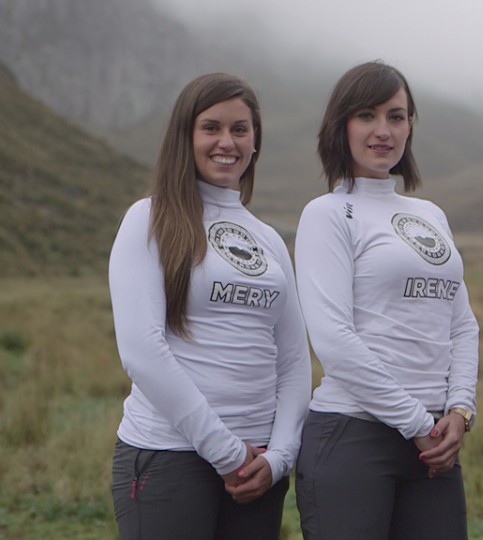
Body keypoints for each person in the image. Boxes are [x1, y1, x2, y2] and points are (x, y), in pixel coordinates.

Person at [108, 72, 312, 540]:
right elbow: (142, 350)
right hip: (170, 457)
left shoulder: (268, 239)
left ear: (255, 141)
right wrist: (226, 452)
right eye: (211, 128)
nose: (227, 142)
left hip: (258, 468)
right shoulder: (149, 219)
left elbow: (294, 359)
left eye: (240, 129)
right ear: (186, 136)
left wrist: (280, 456)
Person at [294, 61, 479, 540]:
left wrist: (459, 410)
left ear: (410, 126)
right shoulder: (327, 214)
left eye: (396, 117)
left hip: (434, 444)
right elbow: (333, 340)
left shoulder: (430, 213)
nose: (384, 131)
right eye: (367, 116)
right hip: (354, 436)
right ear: (341, 126)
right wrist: (417, 423)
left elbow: (460, 323)